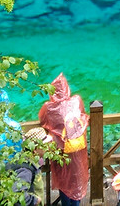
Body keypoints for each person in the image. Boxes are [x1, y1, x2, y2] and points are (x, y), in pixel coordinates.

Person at [38, 73, 89, 206]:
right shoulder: (76, 101)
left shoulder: (49, 107)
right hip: (77, 148)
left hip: (60, 151)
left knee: (63, 180)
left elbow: (42, 120)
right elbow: (83, 115)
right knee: (77, 178)